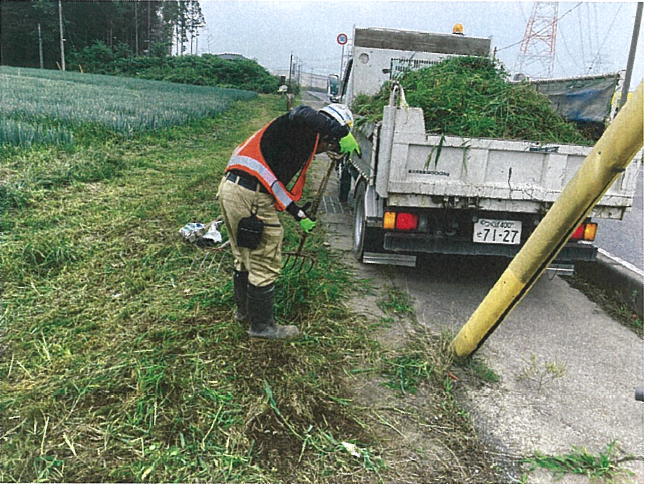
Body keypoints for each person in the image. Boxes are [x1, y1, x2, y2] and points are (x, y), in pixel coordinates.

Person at [217, 103, 361, 339]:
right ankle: (262, 327)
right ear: (326, 133)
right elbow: (302, 112)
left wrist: (298, 213)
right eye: (331, 144)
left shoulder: (293, 141)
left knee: (244, 255)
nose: (328, 150)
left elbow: (270, 182)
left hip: (234, 190)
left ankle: (244, 313)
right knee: (265, 258)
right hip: (249, 196)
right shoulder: (300, 126)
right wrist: (343, 133)